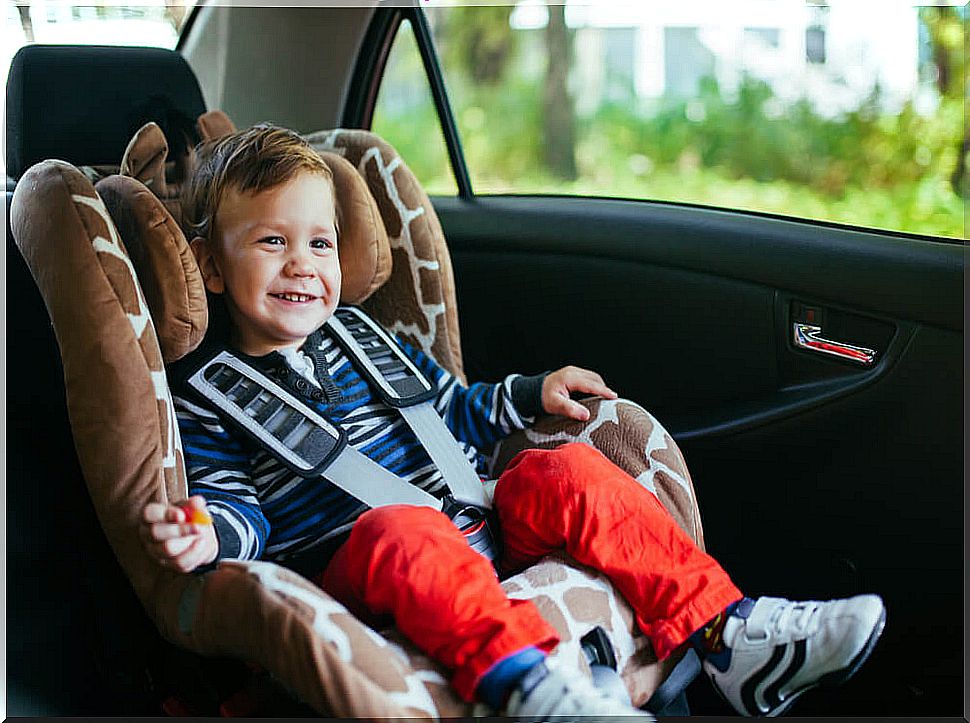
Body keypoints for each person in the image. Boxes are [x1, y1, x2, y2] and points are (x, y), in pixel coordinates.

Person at [140, 124, 886, 718]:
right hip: (363, 568)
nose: (303, 264)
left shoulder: (366, 336)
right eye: (273, 242)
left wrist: (532, 392)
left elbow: (454, 409)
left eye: (320, 243)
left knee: (555, 469)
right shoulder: (209, 392)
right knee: (404, 529)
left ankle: (729, 631)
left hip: (476, 521)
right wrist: (209, 530)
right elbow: (240, 509)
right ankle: (537, 688)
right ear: (208, 266)